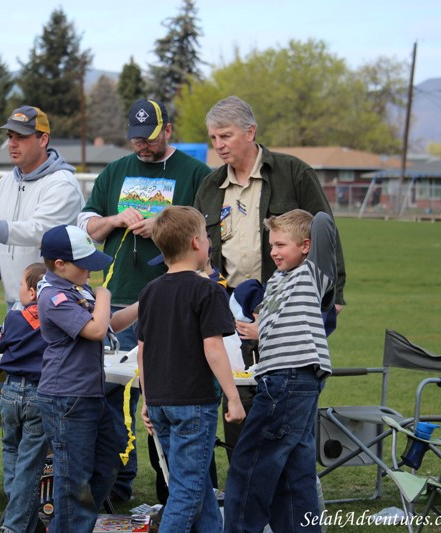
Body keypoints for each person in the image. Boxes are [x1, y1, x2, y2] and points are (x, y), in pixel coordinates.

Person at [193, 95, 346, 459]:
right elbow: (197, 246)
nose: (219, 145)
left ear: (251, 131)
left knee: (287, 399)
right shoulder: (209, 185)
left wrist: (334, 296)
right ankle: (245, 488)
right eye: (213, 138)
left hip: (287, 303)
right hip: (227, 306)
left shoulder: (293, 172)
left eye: (226, 136)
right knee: (238, 403)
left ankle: (289, 487)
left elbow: (327, 234)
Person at [77, 98, 211, 502]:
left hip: (174, 304)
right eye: (136, 139)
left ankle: (170, 489)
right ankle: (117, 485)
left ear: (167, 130)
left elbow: (207, 228)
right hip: (117, 302)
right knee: (115, 397)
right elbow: (87, 225)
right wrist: (117, 220)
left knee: (164, 398)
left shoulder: (194, 172)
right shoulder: (116, 170)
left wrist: (164, 224)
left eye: (150, 138)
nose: (142, 146)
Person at [224, 209, 337, 533]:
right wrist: (258, 330)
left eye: (282, 244)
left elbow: (325, 227)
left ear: (305, 246)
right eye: (272, 244)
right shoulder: (278, 279)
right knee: (293, 469)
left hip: (289, 378)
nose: (274, 251)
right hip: (284, 378)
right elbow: (277, 321)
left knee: (251, 462)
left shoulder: (311, 274)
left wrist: (313, 222)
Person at [136, 206, 245, 533]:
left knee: (197, 488)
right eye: (208, 236)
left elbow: (143, 352)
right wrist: (234, 397)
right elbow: (213, 348)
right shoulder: (208, 290)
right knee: (187, 488)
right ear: (198, 243)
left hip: (160, 404)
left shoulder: (150, 291)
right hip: (193, 404)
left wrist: (147, 399)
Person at [36, 224, 138, 533]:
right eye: (85, 264)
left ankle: (79, 520)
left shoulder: (76, 289)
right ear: (60, 265)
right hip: (66, 396)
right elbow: (94, 330)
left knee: (110, 454)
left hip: (88, 393)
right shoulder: (53, 296)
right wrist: (104, 294)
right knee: (73, 478)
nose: (91, 271)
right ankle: (69, 526)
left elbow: (110, 325)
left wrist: (145, 302)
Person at [0, 105, 85, 309]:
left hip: (56, 303)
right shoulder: (1, 186)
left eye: (21, 137)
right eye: (10, 136)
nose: (12, 144)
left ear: (43, 140)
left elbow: (40, 232)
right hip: (15, 303)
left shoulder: (63, 184)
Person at [0, 262, 50, 533]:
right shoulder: (54, 318)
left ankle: (13, 515)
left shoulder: (14, 318)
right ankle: (16, 522)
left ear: (30, 292)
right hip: (39, 393)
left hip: (10, 391)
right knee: (30, 461)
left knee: (11, 451)